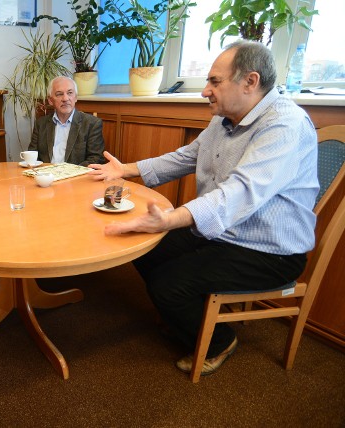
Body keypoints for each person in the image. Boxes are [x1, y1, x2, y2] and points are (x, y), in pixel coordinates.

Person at [88, 41, 318, 376]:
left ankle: (219, 340)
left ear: (250, 82)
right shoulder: (225, 117)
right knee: (142, 248)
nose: (205, 91)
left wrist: (170, 219)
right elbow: (187, 157)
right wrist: (126, 169)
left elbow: (238, 193)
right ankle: (187, 316)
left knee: (168, 283)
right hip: (223, 231)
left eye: (214, 82)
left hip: (269, 249)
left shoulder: (285, 125)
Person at [28, 76, 106, 166]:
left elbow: (96, 159)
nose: (65, 99)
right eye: (59, 94)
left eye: (70, 93)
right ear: (50, 100)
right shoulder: (40, 124)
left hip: (75, 177)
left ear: (76, 97)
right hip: (45, 176)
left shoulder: (91, 124)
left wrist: (67, 173)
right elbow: (32, 155)